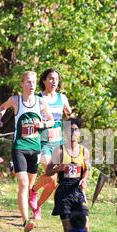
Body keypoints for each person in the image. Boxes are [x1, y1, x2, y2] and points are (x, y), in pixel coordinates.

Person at [0, 71, 54, 232]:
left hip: (34, 149)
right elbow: (2, 107)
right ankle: (25, 221)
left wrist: (43, 124)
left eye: (34, 82)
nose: (32, 85)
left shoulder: (40, 102)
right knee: (22, 184)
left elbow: (51, 120)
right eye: (28, 82)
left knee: (28, 186)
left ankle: (28, 212)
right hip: (19, 147)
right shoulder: (16, 100)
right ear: (22, 84)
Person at [29, 68, 72, 220]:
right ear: (44, 81)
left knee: (54, 183)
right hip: (42, 142)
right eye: (50, 78)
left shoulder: (63, 98)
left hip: (58, 142)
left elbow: (69, 115)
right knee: (51, 175)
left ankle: (37, 206)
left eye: (56, 79)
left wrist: (71, 118)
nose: (54, 82)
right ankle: (33, 191)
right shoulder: (37, 98)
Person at [45, 118, 89, 232]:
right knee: (68, 230)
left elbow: (86, 170)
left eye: (76, 130)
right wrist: (58, 168)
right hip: (63, 193)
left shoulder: (84, 151)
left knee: (85, 227)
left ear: (79, 132)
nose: (73, 133)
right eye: (70, 130)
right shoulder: (59, 151)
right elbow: (47, 172)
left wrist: (84, 179)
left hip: (78, 191)